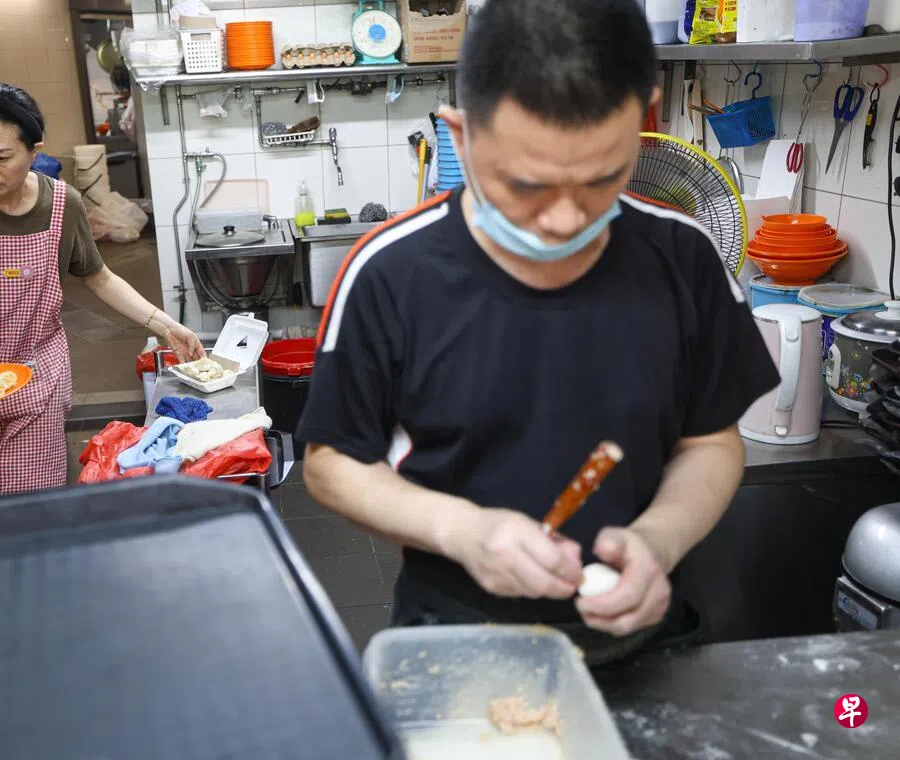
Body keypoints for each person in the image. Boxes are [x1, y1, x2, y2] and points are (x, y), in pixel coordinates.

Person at [297, 0, 780, 666]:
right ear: (460, 138)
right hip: (458, 637)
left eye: (602, 178)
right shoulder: (391, 273)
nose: (563, 219)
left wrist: (660, 540)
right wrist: (463, 531)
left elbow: (711, 442)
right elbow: (332, 463)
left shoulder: (684, 257)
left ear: (644, 117)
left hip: (644, 636)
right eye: (526, 185)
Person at [0, 83, 204, 505]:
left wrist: (165, 325)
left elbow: (100, 277)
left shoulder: (62, 205)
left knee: (35, 510)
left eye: (2, 157)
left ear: (34, 151)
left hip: (35, 384)